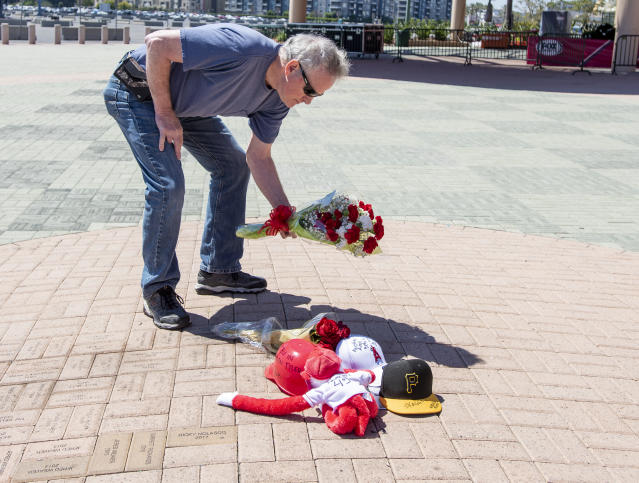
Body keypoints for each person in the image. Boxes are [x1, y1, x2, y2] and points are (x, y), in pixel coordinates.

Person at [103, 24, 350, 331]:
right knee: (168, 186)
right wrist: (164, 112)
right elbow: (157, 43)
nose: (309, 100)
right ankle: (157, 288)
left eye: (317, 96)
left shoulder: (278, 101)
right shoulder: (242, 48)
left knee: (233, 166)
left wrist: (283, 211)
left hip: (186, 109)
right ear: (292, 68)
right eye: (310, 90)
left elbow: (258, 156)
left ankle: (218, 270)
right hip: (138, 93)